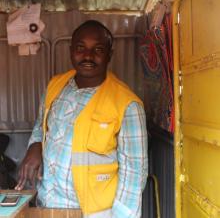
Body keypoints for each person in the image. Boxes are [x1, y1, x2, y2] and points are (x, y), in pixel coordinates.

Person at [15, 20, 148, 218]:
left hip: (93, 213)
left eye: (98, 49)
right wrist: (35, 145)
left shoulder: (128, 105)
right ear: (70, 51)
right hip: (48, 204)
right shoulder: (55, 85)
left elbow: (134, 176)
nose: (88, 56)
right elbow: (40, 126)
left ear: (109, 54)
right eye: (80, 48)